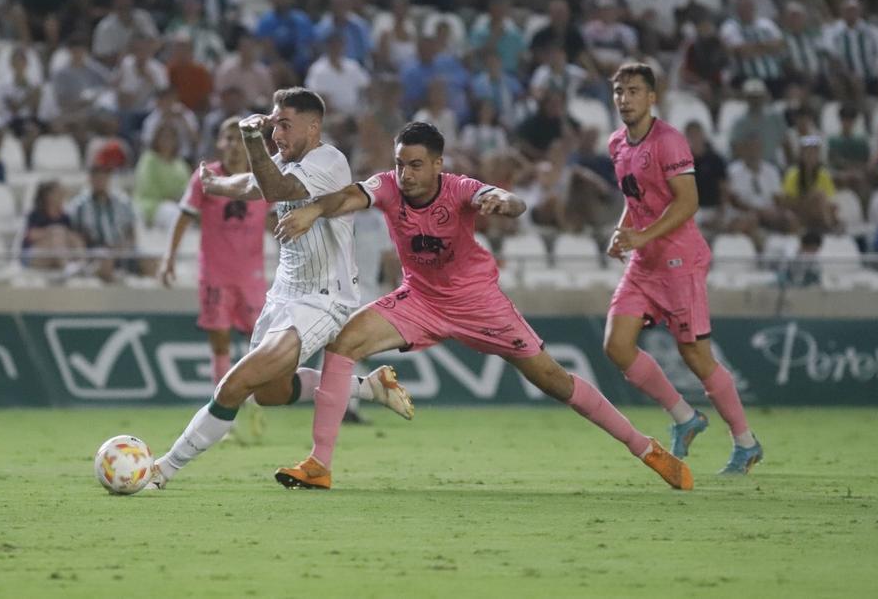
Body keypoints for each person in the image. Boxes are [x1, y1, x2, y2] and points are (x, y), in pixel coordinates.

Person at [271, 121, 691, 490]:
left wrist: (503, 203)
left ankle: (645, 448)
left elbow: (510, 201)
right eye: (400, 163)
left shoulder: (459, 188)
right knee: (342, 344)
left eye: (416, 165)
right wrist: (312, 211)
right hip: (420, 299)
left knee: (554, 381)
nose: (406, 174)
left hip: (479, 303)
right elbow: (345, 197)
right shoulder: (386, 186)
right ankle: (320, 465)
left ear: (438, 164)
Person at [148, 88, 411, 490]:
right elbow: (254, 183)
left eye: (284, 126)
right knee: (267, 393)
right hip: (284, 295)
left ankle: (161, 470)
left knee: (234, 385)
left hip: (324, 300)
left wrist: (251, 139)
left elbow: (274, 189)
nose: (277, 135)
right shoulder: (286, 160)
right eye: (273, 126)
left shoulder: (328, 160)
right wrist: (216, 185)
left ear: (313, 126)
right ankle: (370, 387)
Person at [603, 63, 762, 475]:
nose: (625, 98)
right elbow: (634, 196)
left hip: (678, 259)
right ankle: (685, 418)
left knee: (695, 354)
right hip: (645, 260)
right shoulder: (617, 143)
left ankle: (745, 443)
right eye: (619, 91)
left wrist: (642, 236)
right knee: (617, 345)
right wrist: (622, 233)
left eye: (634, 91)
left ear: (652, 97)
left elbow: (688, 202)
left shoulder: (669, 141)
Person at [158, 117, 271, 405]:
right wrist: (168, 257)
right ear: (219, 144)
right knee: (219, 342)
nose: (234, 145)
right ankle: (223, 407)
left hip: (252, 277)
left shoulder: (265, 177)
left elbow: (276, 222)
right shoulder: (206, 178)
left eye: (239, 139)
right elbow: (184, 217)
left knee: (257, 343)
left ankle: (252, 399)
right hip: (215, 275)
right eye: (228, 138)